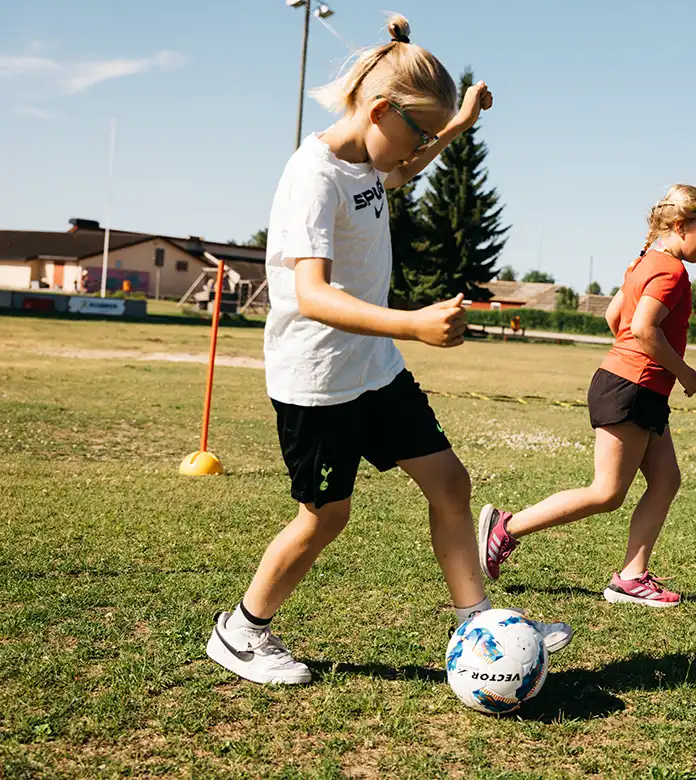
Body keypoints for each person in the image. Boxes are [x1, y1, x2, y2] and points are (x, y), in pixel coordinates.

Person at [206, 15, 571, 685]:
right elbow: (309, 295)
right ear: (379, 110)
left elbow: (404, 168)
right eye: (417, 132)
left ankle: (477, 625)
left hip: (373, 368)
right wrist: (412, 323)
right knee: (324, 519)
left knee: (449, 483)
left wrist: (456, 125)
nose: (418, 149)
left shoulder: (366, 163)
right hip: (318, 381)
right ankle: (240, 632)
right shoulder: (314, 177)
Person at [478, 185, 696, 608]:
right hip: (632, 388)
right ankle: (506, 529)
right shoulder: (670, 271)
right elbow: (644, 329)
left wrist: (632, 359)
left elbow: (615, 316)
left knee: (666, 480)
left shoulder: (644, 261)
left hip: (635, 386)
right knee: (607, 492)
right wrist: (683, 371)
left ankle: (631, 577)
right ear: (681, 226)